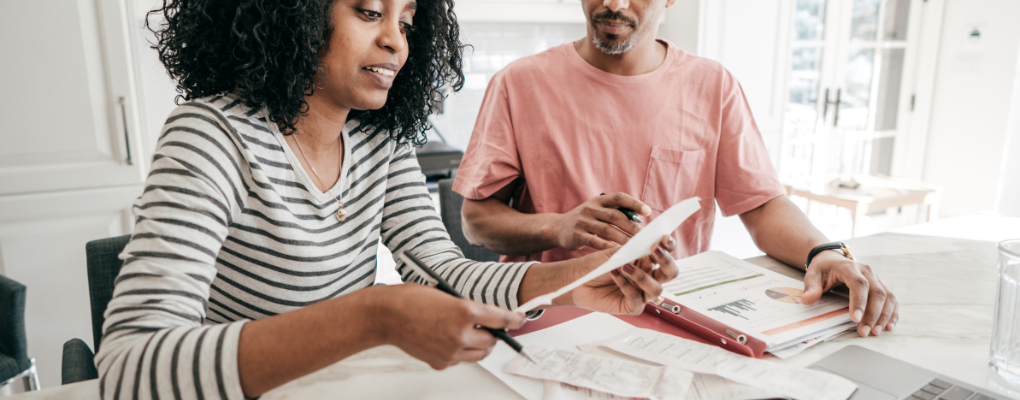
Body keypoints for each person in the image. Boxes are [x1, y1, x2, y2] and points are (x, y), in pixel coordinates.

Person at [96, 1, 681, 399]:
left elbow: (439, 270)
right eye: (369, 11)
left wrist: (576, 279)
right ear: (291, 14)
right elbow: (128, 367)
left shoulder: (379, 138)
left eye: (407, 20)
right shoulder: (212, 135)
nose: (393, 41)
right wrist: (374, 315)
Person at [455, 0, 899, 339]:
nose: (613, 4)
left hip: (671, 325)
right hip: (546, 325)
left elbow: (761, 206)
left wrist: (823, 252)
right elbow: (476, 223)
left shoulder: (713, 86)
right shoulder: (518, 83)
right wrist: (558, 228)